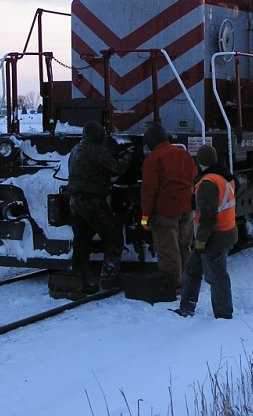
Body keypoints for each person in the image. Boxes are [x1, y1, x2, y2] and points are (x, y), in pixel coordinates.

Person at [67, 120, 132, 294]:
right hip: (93, 201)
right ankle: (109, 277)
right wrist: (126, 157)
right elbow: (116, 169)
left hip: (75, 201)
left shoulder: (76, 150)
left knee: (82, 240)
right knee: (113, 238)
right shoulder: (98, 151)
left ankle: (78, 277)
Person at [173, 144, 238, 319]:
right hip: (224, 232)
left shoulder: (208, 183)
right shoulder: (224, 177)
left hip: (214, 237)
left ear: (200, 162)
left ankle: (224, 315)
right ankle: (186, 307)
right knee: (193, 269)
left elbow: (208, 217)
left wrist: (201, 241)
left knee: (216, 277)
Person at [139, 121, 198, 290]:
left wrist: (145, 218)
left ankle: (174, 286)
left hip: (165, 212)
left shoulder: (153, 160)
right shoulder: (183, 154)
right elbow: (194, 174)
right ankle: (189, 282)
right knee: (185, 246)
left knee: (168, 250)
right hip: (186, 209)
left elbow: (149, 191)